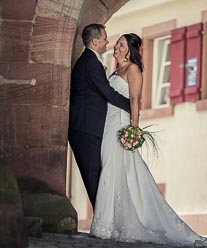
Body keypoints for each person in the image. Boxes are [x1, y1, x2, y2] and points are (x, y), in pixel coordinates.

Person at [89, 33, 207, 246]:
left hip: (121, 124)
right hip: (108, 125)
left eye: (121, 44)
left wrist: (134, 131)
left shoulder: (133, 70)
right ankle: (108, 223)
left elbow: (135, 101)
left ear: (130, 49)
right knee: (111, 169)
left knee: (119, 169)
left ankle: (115, 224)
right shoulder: (116, 71)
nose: (116, 46)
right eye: (116, 43)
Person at [68, 24, 131, 209]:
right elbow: (107, 92)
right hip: (86, 129)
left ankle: (104, 219)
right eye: (105, 39)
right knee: (93, 176)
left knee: (97, 175)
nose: (107, 42)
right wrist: (132, 107)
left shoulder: (91, 61)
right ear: (95, 41)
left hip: (91, 128)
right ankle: (103, 222)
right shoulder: (90, 62)